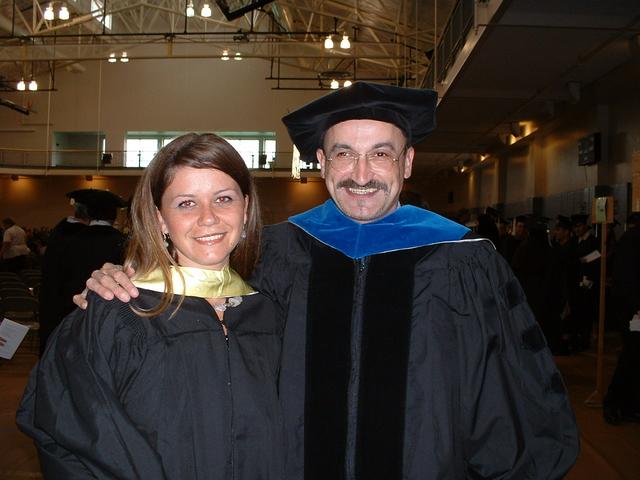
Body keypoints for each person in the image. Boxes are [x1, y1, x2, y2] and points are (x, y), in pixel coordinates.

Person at [75, 82, 579, 479]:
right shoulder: (275, 252)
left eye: (380, 153)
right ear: (321, 162)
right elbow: (202, 308)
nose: (361, 173)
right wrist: (123, 280)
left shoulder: (465, 261)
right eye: (343, 153)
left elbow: (510, 398)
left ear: (407, 162)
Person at [17, 133, 284, 479]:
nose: (208, 218)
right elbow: (66, 428)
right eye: (186, 203)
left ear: (245, 208)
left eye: (223, 199)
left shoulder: (272, 316)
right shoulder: (118, 311)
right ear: (160, 218)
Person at [39, 189, 126, 355]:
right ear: (113, 216)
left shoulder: (68, 239)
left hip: (67, 312)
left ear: (89, 213)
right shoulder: (122, 242)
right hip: (103, 317)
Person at [603, 212, 640, 424]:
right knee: (632, 354)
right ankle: (614, 402)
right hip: (633, 311)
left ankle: (629, 405)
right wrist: (636, 307)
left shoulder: (630, 238)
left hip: (632, 308)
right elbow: (627, 279)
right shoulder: (632, 239)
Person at [569, 213, 600, 351]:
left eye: (579, 226)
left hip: (589, 281)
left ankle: (585, 340)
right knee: (577, 311)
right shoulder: (575, 241)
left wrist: (584, 260)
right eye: (575, 227)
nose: (577, 229)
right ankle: (577, 339)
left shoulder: (593, 241)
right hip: (576, 280)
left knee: (587, 311)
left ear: (585, 226)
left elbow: (597, 257)